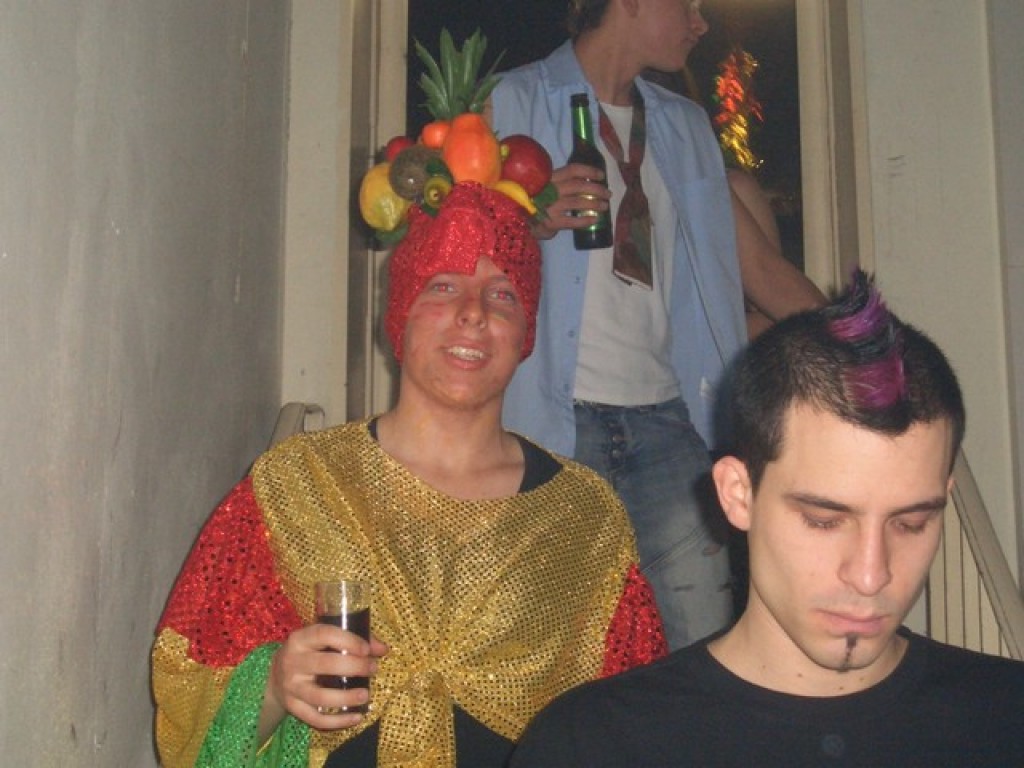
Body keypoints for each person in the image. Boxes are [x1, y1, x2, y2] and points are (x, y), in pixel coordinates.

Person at [151, 181, 667, 768]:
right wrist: (271, 687)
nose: (473, 312)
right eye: (443, 286)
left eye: (502, 294)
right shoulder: (297, 485)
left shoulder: (585, 519)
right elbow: (188, 688)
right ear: (399, 314)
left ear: (525, 332)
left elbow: (634, 721)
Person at [509, 270, 1024, 766]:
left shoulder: (1006, 718)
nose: (871, 576)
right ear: (738, 494)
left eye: (910, 524)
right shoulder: (595, 745)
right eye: (823, 520)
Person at [489, 0, 824, 649]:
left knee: (697, 652)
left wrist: (863, 341)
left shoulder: (684, 126)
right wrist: (526, 216)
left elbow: (758, 267)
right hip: (550, 426)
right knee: (553, 654)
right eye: (688, 5)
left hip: (668, 428)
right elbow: (447, 250)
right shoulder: (511, 102)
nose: (701, 23)